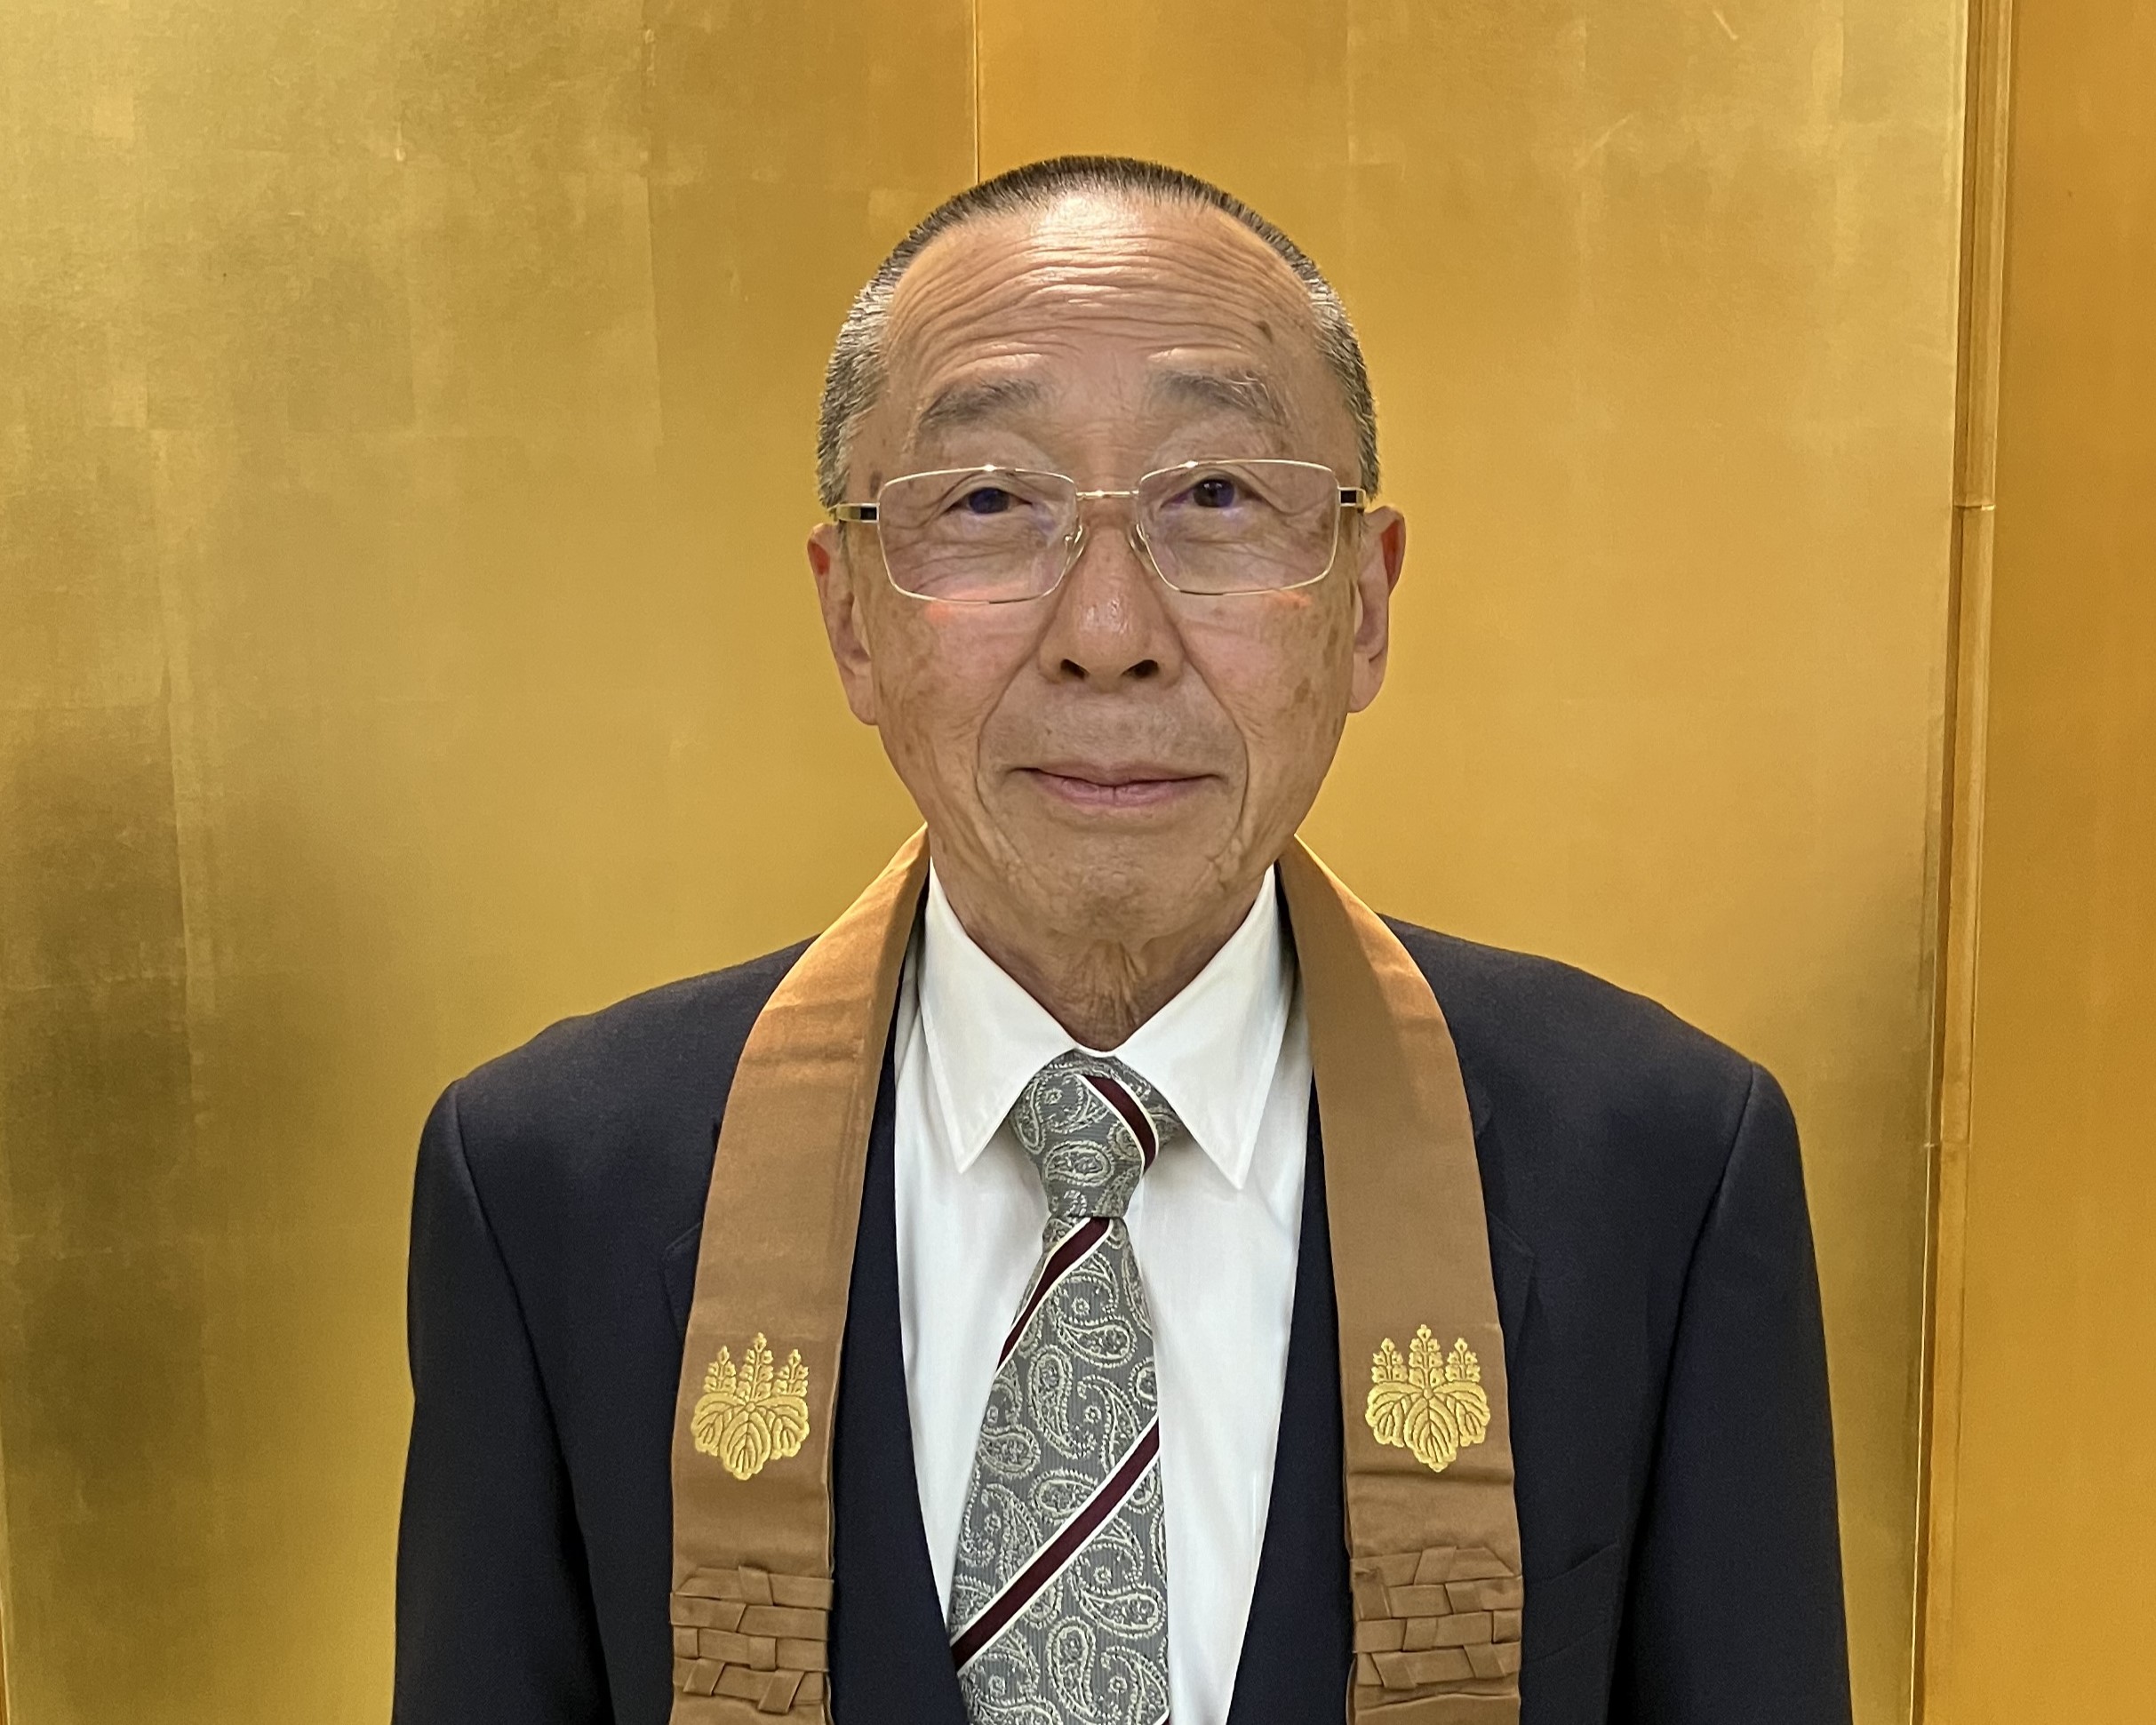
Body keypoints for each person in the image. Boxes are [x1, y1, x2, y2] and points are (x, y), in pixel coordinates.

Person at [394, 156, 1851, 1725]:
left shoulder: (1656, 1168)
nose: (1107, 633)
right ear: (849, 615)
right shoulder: (552, 1187)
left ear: (1363, 603)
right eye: (986, 502)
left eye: (1216, 497)